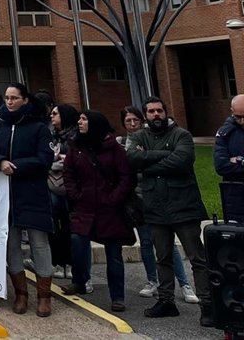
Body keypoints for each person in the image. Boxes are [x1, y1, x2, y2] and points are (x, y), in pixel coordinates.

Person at [126, 96, 212, 326]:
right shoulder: (139, 137)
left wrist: (148, 165)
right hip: (155, 207)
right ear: (146, 115)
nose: (156, 115)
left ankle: (207, 303)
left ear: (165, 112)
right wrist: (165, 155)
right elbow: (132, 158)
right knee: (162, 257)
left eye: (159, 110)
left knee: (197, 258)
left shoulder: (181, 135)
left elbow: (182, 160)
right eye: (151, 111)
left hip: (184, 204)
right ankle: (166, 300)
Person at [0, 82, 54, 317]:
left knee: (39, 244)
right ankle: (21, 294)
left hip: (32, 192)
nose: (9, 102)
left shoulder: (39, 127)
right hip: (6, 195)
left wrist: (16, 166)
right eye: (7, 98)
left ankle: (44, 296)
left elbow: (44, 159)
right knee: (11, 244)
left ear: (25, 100)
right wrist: (0, 161)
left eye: (14, 98)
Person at [118, 106, 198, 303]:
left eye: (135, 120)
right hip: (138, 199)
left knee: (168, 246)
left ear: (142, 120)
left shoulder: (151, 138)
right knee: (147, 242)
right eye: (128, 121)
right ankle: (152, 280)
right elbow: (132, 161)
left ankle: (184, 283)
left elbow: (176, 160)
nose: (132, 124)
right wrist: (162, 154)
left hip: (161, 196)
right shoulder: (122, 143)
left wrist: (147, 160)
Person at [61, 110, 135, 312]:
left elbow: (126, 178)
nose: (79, 122)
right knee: (77, 241)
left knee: (114, 254)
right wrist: (75, 195)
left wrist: (113, 199)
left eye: (84, 119)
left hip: (110, 210)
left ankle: (117, 296)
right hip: (84, 206)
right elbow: (68, 172)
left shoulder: (114, 149)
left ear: (94, 123)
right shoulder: (76, 146)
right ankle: (79, 280)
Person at [47, 104, 79, 281]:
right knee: (55, 226)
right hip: (53, 184)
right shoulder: (52, 136)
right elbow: (47, 158)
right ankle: (58, 262)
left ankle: (72, 263)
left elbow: (75, 160)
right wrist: (58, 160)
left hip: (71, 187)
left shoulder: (76, 136)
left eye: (55, 113)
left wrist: (60, 160)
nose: (51, 116)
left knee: (70, 227)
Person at [214, 93, 244, 222]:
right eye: (238, 117)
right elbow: (221, 166)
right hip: (236, 197)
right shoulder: (225, 133)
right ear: (232, 111)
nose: (242, 121)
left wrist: (238, 160)